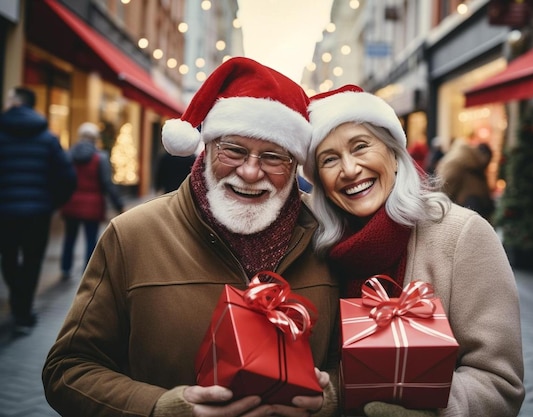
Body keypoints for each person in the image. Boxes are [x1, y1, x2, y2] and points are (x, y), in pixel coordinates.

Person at [42, 57, 340, 417]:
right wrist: (161, 408)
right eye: (233, 149)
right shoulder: (133, 235)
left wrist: (332, 398)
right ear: (208, 146)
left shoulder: (332, 237)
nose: (249, 171)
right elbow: (68, 370)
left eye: (273, 156)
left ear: (295, 166)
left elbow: (359, 364)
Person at [303, 85, 525, 417]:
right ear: (319, 179)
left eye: (360, 146)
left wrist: (431, 408)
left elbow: (500, 381)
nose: (348, 169)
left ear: (394, 154)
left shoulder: (462, 235)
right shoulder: (317, 247)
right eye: (329, 159)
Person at [0, 86, 77, 335]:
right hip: (38, 215)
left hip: (5, 213)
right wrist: (51, 203)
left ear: (15, 104)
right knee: (32, 262)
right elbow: (68, 177)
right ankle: (23, 312)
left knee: (8, 259)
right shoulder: (48, 138)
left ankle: (17, 303)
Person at [59, 122, 125, 280]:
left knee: (69, 237)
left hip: (71, 202)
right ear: (95, 138)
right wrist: (118, 203)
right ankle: (88, 272)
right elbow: (107, 182)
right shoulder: (100, 157)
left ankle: (65, 268)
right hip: (93, 204)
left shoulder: (69, 155)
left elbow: (62, 179)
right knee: (91, 239)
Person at [436, 139, 495, 222]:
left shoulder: (473, 163)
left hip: (467, 207)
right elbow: (446, 186)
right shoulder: (465, 162)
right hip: (466, 207)